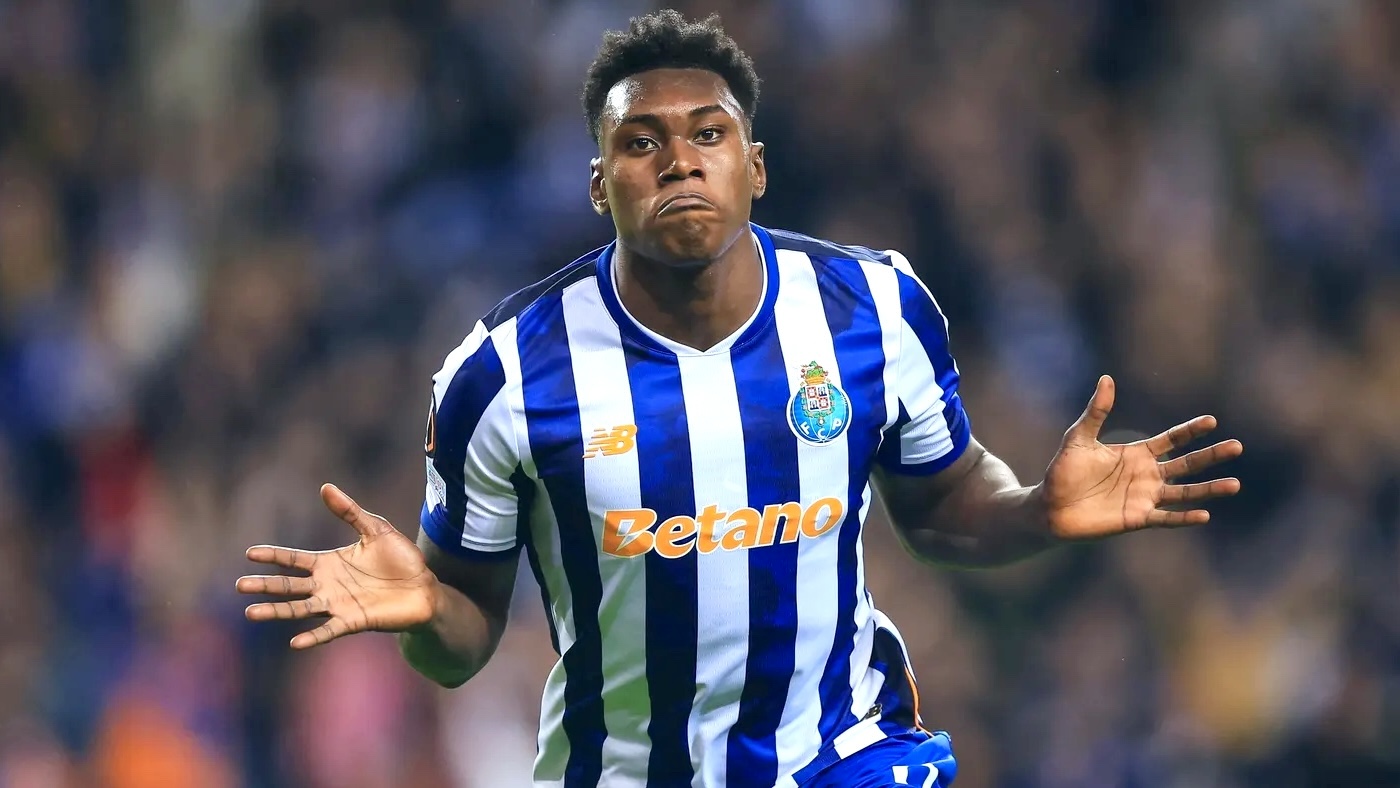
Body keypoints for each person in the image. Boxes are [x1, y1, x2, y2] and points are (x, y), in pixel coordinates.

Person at [236, 10, 1243, 787]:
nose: (679, 158)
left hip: (840, 754)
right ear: (598, 184)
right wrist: (422, 608)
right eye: (642, 142)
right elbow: (461, 640)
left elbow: (940, 508)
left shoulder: (873, 309)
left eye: (708, 133)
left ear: (753, 167)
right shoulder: (501, 376)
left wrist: (1035, 510)